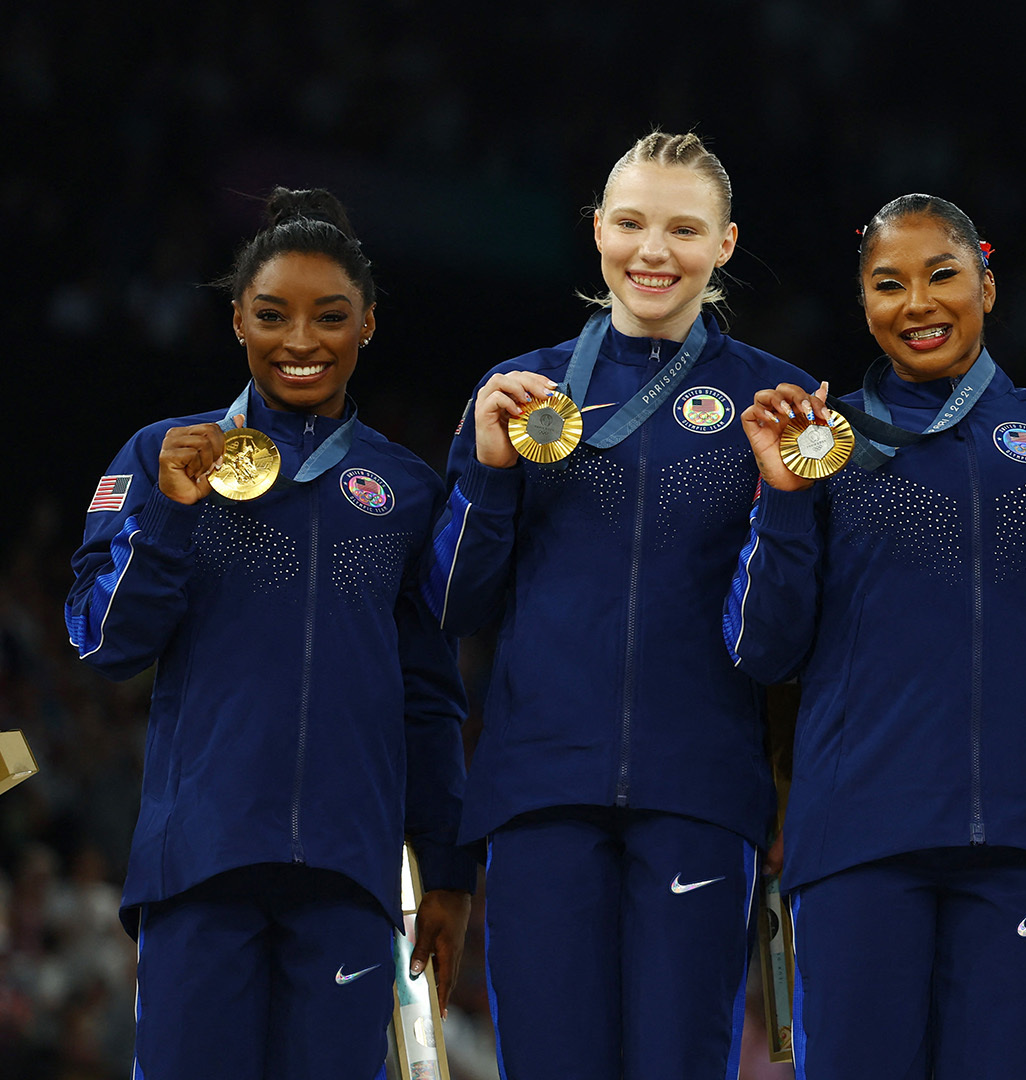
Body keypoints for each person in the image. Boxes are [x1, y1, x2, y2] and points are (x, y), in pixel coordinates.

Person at [427, 131, 811, 1077]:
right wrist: (486, 471)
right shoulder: (521, 392)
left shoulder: (778, 403)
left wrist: (787, 501)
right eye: (631, 223)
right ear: (596, 230)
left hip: (701, 791)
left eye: (684, 229)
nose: (653, 251)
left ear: (724, 245)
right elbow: (452, 600)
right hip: (541, 791)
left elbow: (779, 644)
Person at [65, 187, 471, 1079]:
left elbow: (429, 696)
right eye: (272, 315)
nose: (300, 342)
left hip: (348, 876)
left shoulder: (405, 491)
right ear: (237, 321)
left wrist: (446, 867)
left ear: (366, 325)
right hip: (199, 867)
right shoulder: (162, 454)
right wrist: (168, 518)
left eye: (330, 317)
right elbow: (104, 645)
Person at [725, 195, 1026, 1078]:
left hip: (1024, 843)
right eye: (888, 285)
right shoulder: (820, 447)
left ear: (988, 286)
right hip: (858, 846)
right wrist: (781, 495)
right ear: (864, 306)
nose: (917, 304)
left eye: (942, 276)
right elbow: (763, 648)